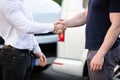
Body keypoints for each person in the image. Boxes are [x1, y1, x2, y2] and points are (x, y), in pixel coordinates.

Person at [0, 0, 65, 80]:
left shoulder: (20, 2)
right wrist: (52, 27)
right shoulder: (8, 2)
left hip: (24, 56)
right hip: (14, 56)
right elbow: (26, 27)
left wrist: (36, 49)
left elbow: (26, 32)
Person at [58, 0, 120, 80]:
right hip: (94, 49)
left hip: (104, 51)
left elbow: (117, 25)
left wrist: (100, 54)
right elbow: (85, 15)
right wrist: (65, 23)